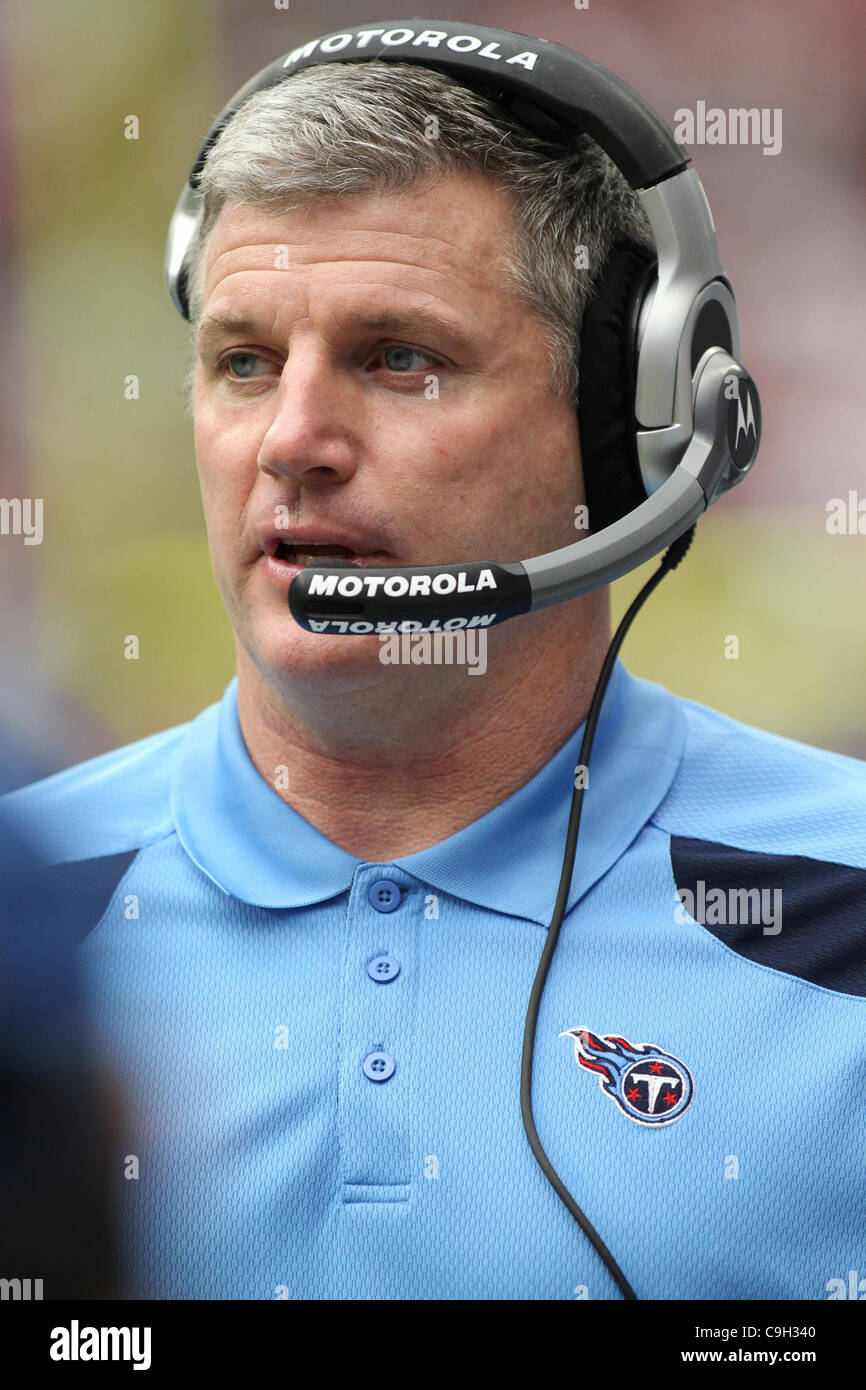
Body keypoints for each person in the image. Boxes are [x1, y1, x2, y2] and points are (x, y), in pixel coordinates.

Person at [3, 24, 865, 1302]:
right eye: (242, 361)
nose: (291, 440)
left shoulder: (837, 900)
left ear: (625, 420)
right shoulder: (28, 927)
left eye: (399, 358)